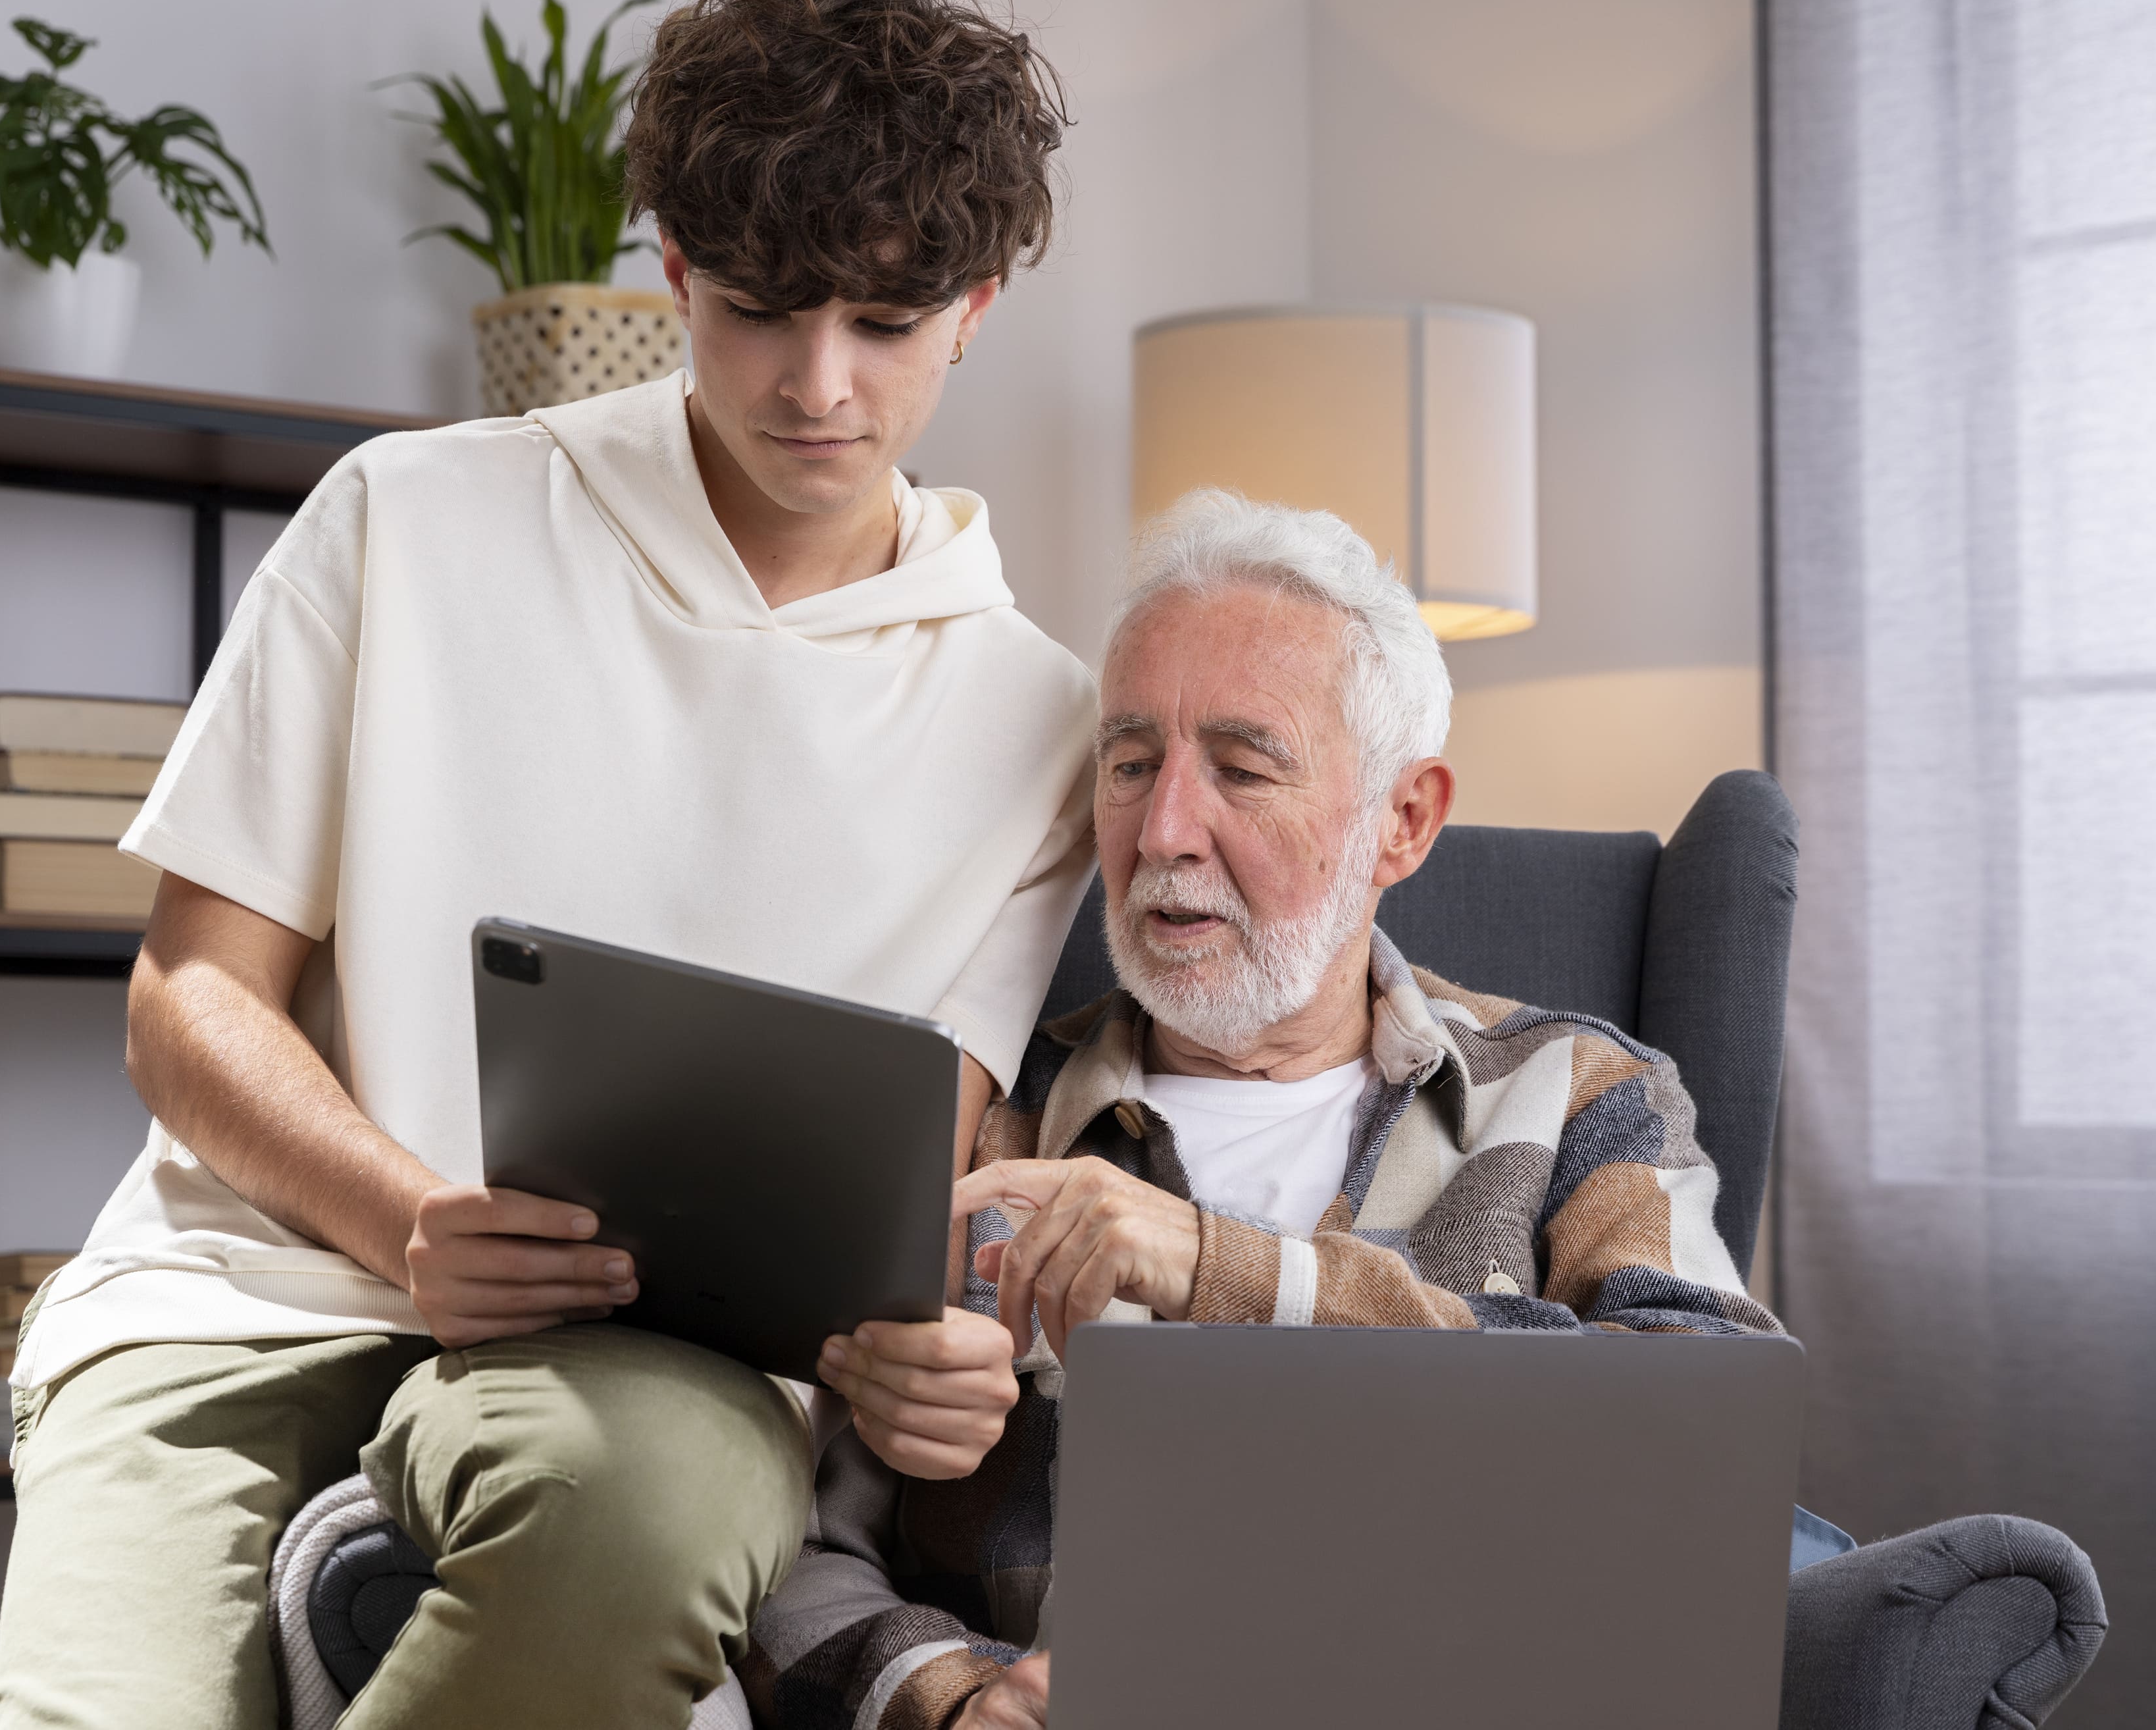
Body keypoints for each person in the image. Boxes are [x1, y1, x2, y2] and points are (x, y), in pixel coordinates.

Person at [0, 0, 1073, 1725]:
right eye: (757, 311)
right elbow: (189, 1001)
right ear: (671, 277)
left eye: (884, 322)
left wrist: (929, 1356)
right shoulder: (406, 519)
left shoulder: (1035, 723)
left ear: (975, 308)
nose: (819, 385)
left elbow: (912, 1164)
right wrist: (408, 1217)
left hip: (643, 1375)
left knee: (650, 1504)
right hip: (231, 1299)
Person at [746, 490, 1783, 1729]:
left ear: (1403, 820)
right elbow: (785, 1545)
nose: (1164, 829)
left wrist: (1221, 1271)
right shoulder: (981, 1119)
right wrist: (949, 1702)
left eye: (1242, 768)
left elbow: (1704, 1449)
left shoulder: (1573, 1101)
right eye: (1131, 765)